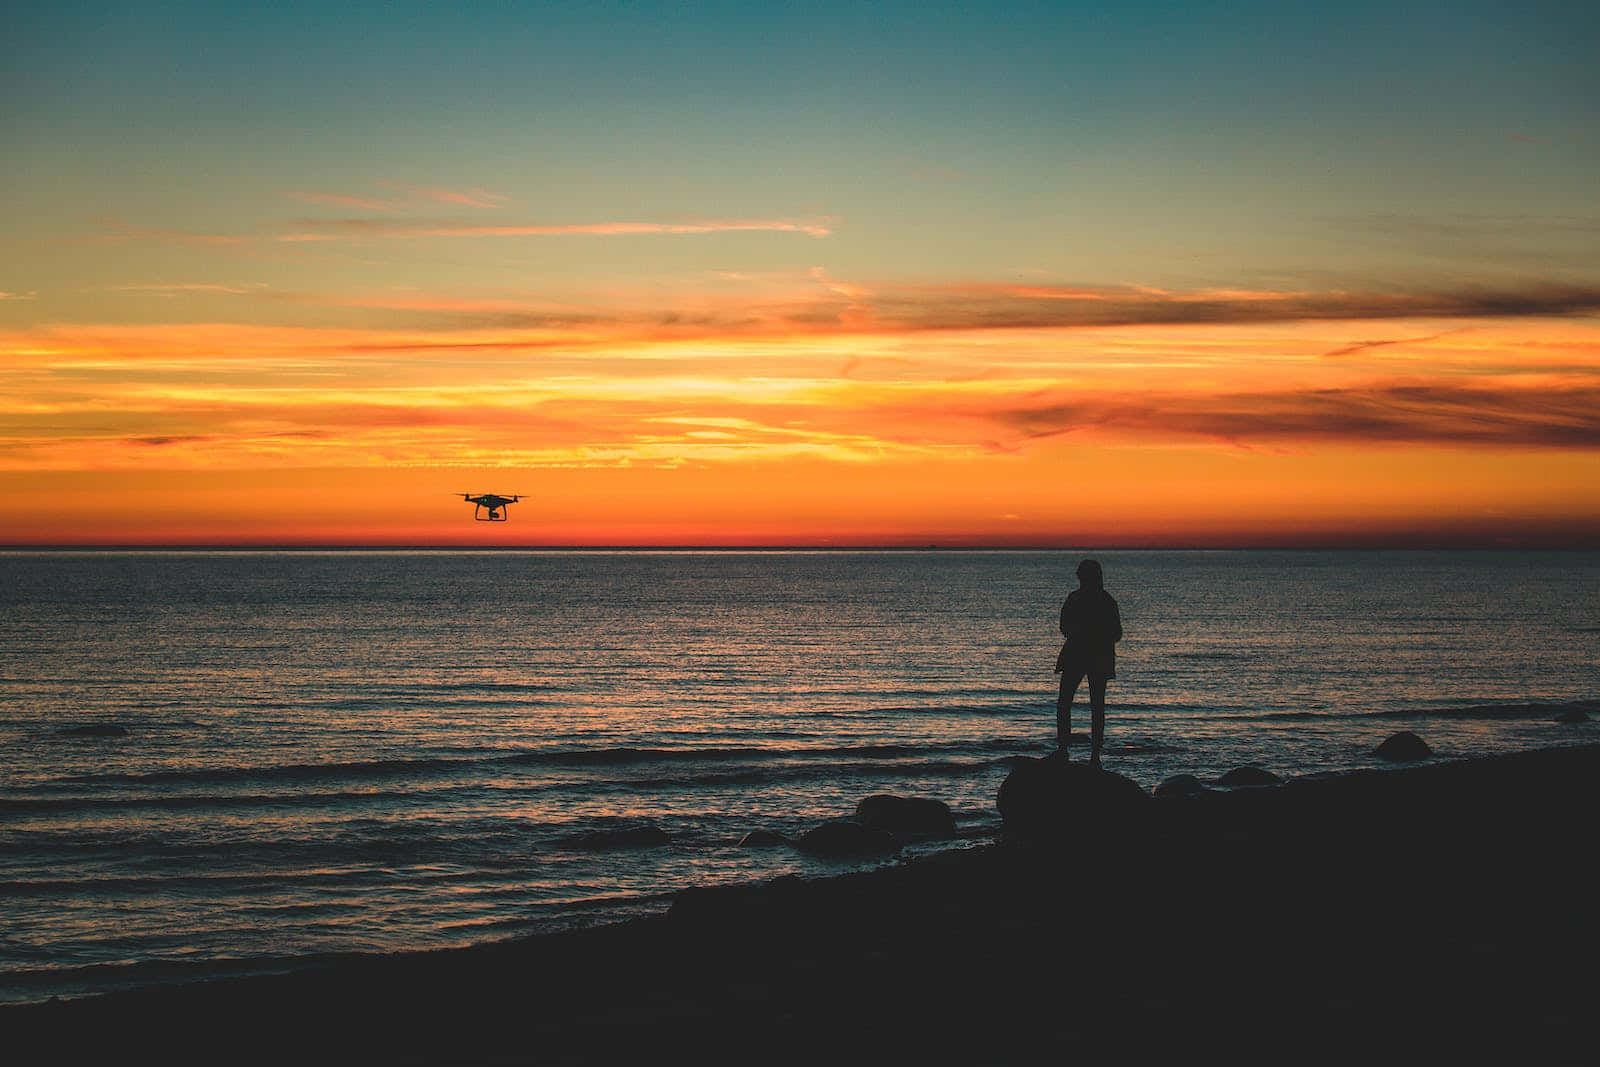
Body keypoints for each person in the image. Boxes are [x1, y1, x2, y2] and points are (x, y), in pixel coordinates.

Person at [1054, 558, 1122, 767]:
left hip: (1083, 655)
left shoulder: (1079, 599)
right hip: (1094, 656)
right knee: (1093, 706)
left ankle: (1071, 750)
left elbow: (1065, 626)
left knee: (1070, 703)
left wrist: (1083, 634)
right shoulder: (1105, 600)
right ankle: (1088, 752)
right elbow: (1117, 633)